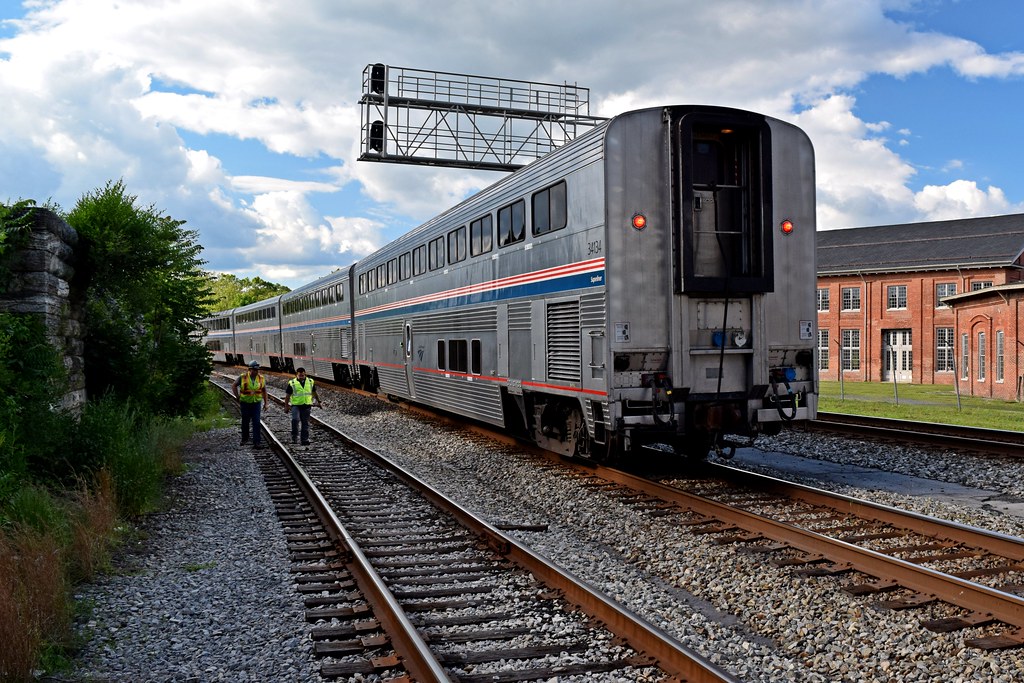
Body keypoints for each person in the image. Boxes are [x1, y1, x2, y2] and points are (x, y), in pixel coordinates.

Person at [232, 361, 268, 448]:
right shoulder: (243, 377)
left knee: (256, 422)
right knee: (245, 422)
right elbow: (234, 385)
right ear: (250, 369)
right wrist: (237, 397)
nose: (256, 372)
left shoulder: (261, 378)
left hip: (256, 403)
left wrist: (266, 403)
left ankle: (257, 442)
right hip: (245, 403)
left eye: (257, 370)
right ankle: (245, 438)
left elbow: (264, 391)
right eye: (254, 370)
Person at [284, 366, 321, 445]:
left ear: (305, 375)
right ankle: (294, 436)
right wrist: (286, 406)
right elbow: (287, 396)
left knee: (305, 423)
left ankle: (304, 439)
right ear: (296, 375)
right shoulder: (292, 383)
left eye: (303, 375)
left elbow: (314, 392)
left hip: (306, 405)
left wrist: (318, 401)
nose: (301, 377)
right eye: (300, 375)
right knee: (295, 420)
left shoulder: (310, 382)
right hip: (295, 405)